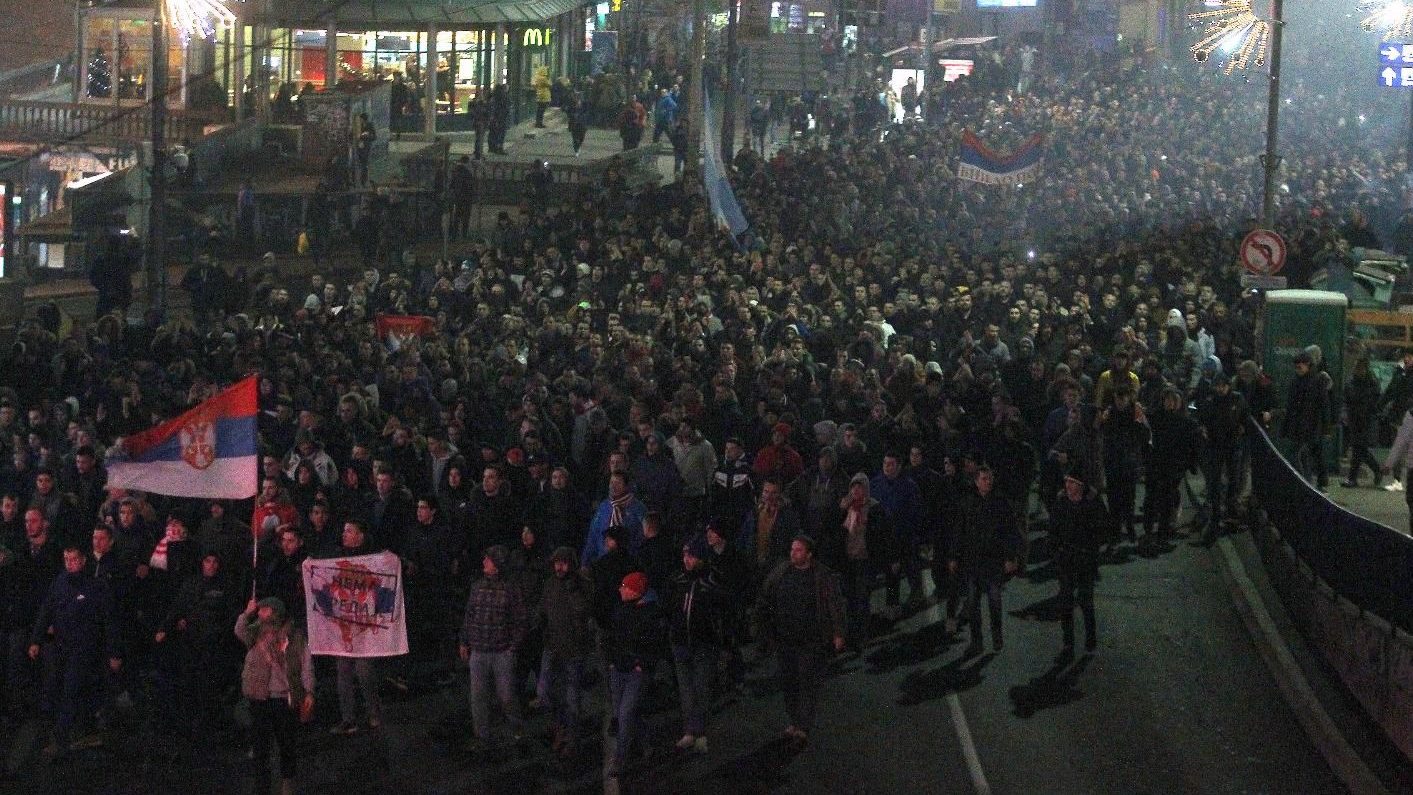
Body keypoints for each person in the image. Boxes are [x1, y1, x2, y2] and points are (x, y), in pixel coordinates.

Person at [29, 546, 122, 757]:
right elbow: (46, 610)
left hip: (85, 649)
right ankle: (82, 730)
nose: (70, 563)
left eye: (73, 559)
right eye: (66, 559)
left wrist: (114, 653)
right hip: (62, 647)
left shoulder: (95, 586)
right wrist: (36, 639)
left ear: (82, 561)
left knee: (72, 689)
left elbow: (109, 621)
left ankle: (62, 737)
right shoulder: (60, 583)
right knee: (64, 688)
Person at [755, 536, 845, 748]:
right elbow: (766, 597)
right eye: (792, 549)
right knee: (789, 681)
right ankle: (795, 720)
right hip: (785, 637)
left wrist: (838, 633)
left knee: (806, 682)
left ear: (809, 554)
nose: (793, 553)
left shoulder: (821, 576)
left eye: (798, 550)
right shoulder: (781, 572)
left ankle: (802, 727)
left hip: (810, 639)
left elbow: (834, 604)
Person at [235, 596, 315, 795]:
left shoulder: (293, 636)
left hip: (283, 698)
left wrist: (309, 691)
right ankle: (262, 787)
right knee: (260, 747)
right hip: (259, 697)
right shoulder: (254, 632)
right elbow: (239, 630)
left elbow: (306, 664)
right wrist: (246, 613)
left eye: (264, 609)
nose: (260, 612)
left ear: (275, 612)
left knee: (286, 744)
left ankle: (288, 781)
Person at [458, 544, 527, 750]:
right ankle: (482, 736)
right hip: (479, 650)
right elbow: (469, 615)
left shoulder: (511, 589)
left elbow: (520, 620)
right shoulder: (477, 586)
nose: (484, 563)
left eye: (488, 560)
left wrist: (512, 647)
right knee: (478, 697)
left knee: (506, 695)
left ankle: (516, 728)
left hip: (501, 651)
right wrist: (464, 640)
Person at [950, 467, 1024, 657]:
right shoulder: (967, 503)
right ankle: (977, 640)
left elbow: (1011, 532)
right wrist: (954, 556)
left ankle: (996, 634)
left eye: (990, 479)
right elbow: (959, 531)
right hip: (973, 560)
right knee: (973, 603)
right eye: (984, 479)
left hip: (993, 560)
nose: (987, 482)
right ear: (976, 481)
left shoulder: (1000, 503)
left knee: (994, 600)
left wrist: (1010, 557)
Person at [321, 520, 384, 735]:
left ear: (360, 536)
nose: (344, 534)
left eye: (349, 531)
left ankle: (373, 711)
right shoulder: (337, 557)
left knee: (364, 671)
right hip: (344, 627)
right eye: (344, 530)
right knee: (343, 672)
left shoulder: (373, 559)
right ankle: (348, 718)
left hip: (364, 627)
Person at [666, 534, 726, 754]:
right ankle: (690, 731)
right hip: (681, 642)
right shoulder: (678, 580)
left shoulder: (711, 580)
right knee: (686, 690)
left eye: (691, 556)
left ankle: (700, 732)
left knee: (701, 689)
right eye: (685, 555)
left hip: (703, 643)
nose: (687, 560)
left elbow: (722, 609)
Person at [603, 571, 665, 778]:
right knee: (629, 713)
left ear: (636, 591)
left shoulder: (649, 614)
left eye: (625, 586)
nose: (621, 589)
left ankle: (620, 759)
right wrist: (612, 662)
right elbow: (611, 638)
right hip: (619, 669)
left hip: (634, 672)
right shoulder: (621, 611)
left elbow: (654, 644)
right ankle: (646, 744)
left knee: (625, 714)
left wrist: (641, 664)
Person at [537, 546, 592, 757]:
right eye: (556, 563)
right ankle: (560, 726)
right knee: (544, 692)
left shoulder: (580, 585)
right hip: (552, 647)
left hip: (573, 650)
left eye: (563, 563)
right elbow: (543, 609)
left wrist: (573, 590)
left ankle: (572, 738)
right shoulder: (550, 584)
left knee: (572, 699)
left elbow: (583, 611)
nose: (559, 567)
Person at [1049, 472, 1107, 660]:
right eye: (1066, 481)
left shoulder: (1092, 503)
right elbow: (1053, 529)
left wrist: (1092, 548)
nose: (1067, 485)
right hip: (1066, 558)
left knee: (1085, 600)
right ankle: (1068, 642)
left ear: (1081, 485)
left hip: (1085, 559)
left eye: (1072, 482)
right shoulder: (1061, 502)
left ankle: (1090, 640)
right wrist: (1056, 550)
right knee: (1066, 600)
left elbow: (1104, 529)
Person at [1196, 373, 1250, 540]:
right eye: (1217, 386)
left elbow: (1245, 416)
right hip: (1215, 444)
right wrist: (1204, 428)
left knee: (1234, 476)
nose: (1220, 389)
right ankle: (1216, 511)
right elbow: (1203, 417)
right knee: (1215, 477)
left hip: (1232, 443)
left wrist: (1242, 427)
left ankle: (1230, 509)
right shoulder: (1211, 400)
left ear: (1228, 385)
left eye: (1222, 386)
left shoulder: (1237, 399)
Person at [1282, 350, 1329, 490]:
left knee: (1295, 454)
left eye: (1299, 367)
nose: (1298, 370)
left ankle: (1305, 483)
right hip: (1302, 426)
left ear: (1307, 365)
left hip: (1309, 426)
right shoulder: (1305, 381)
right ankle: (1307, 484)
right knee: (1303, 456)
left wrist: (1325, 427)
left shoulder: (1315, 382)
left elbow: (1324, 405)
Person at [1343, 356, 1383, 488]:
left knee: (1358, 449)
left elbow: (1375, 401)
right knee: (1360, 449)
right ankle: (1376, 471)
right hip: (1356, 419)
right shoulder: (1353, 381)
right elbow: (1348, 399)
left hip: (1366, 420)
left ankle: (1353, 478)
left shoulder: (1371, 383)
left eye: (1359, 367)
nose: (1356, 369)